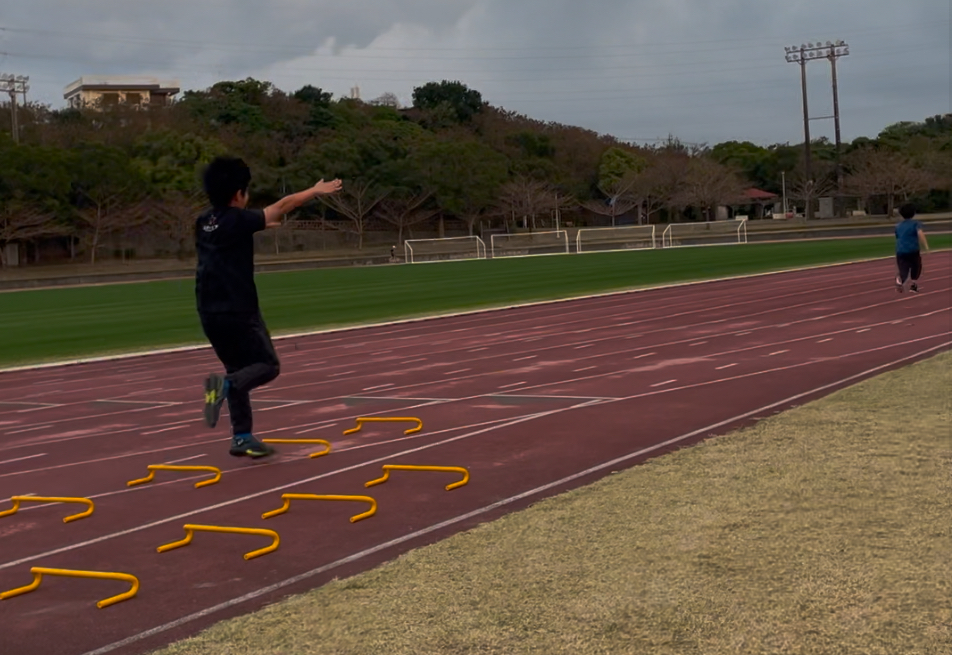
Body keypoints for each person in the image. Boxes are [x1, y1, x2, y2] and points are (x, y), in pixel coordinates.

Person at [196, 156, 342, 458]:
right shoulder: (239, 219)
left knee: (239, 368)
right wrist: (314, 191)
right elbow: (284, 205)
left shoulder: (203, 223)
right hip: (238, 309)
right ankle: (223, 386)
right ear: (239, 193)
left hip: (208, 311)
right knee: (266, 366)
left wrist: (260, 223)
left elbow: (247, 225)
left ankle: (242, 436)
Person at [894, 203, 929, 294]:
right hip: (913, 250)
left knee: (903, 268)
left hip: (900, 251)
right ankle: (913, 285)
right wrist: (926, 246)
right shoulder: (915, 224)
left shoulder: (898, 226)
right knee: (916, 267)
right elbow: (920, 234)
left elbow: (897, 236)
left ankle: (901, 280)